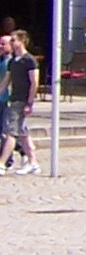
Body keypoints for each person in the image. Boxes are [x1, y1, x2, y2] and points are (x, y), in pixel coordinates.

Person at [1, 31, 39, 175]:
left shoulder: (29, 60)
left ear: (22, 41)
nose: (11, 43)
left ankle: (2, 163)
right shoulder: (13, 61)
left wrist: (30, 103)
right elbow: (6, 81)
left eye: (13, 40)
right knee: (22, 133)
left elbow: (34, 83)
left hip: (22, 100)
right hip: (14, 98)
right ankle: (33, 162)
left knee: (11, 132)